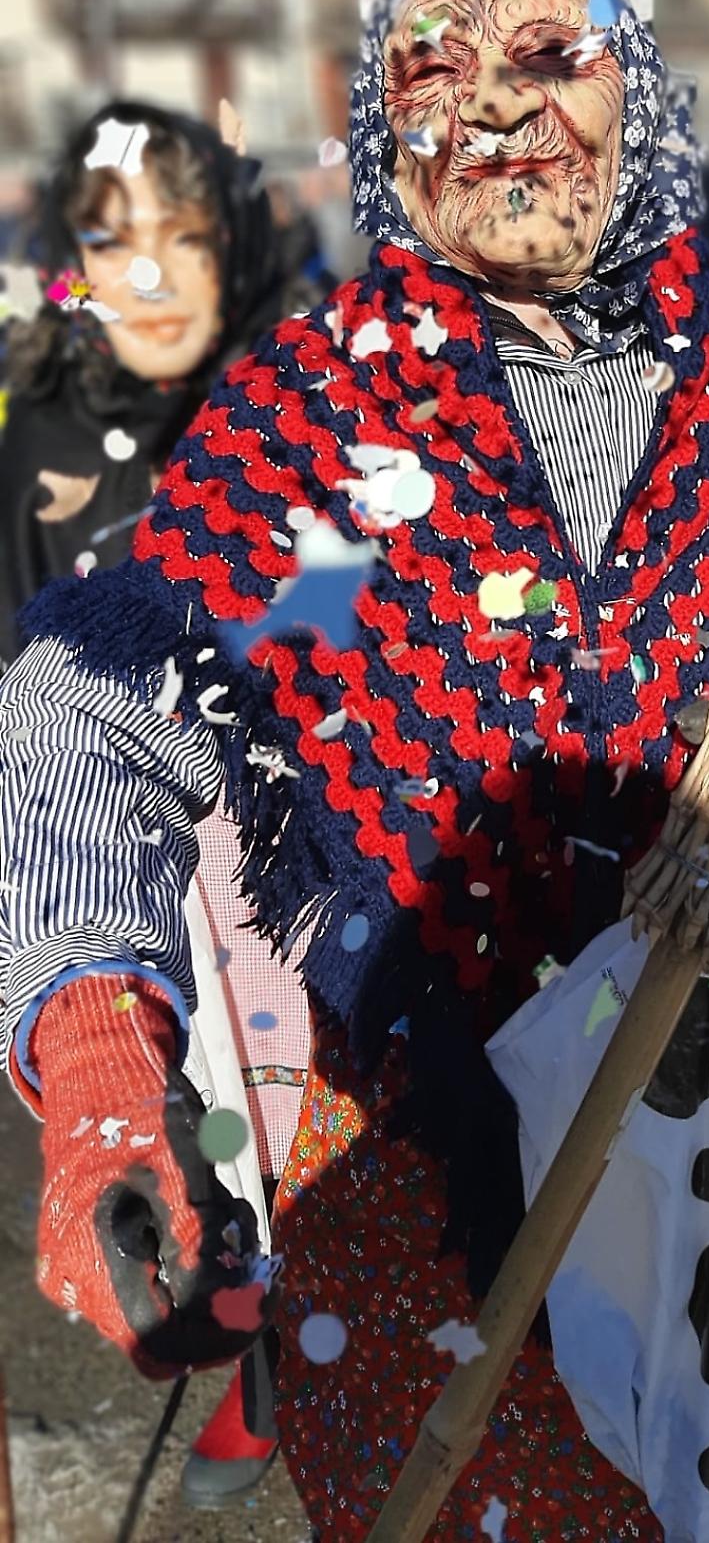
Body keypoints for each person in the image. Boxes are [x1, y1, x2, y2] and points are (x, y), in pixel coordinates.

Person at [0, 0, 709, 1541]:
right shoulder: (321, 407)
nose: (490, 99)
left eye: (550, 50)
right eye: (431, 60)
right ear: (385, 136)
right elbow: (85, 709)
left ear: (645, 98)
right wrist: (103, 1055)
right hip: (435, 1240)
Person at [0, 101, 317, 1510]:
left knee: (315, 1154)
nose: (150, 278)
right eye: (112, 241)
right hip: (107, 881)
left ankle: (285, 1374)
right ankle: (236, 1327)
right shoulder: (40, 427)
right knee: (185, 1170)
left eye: (186, 239)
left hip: (295, 876)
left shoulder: (310, 402)